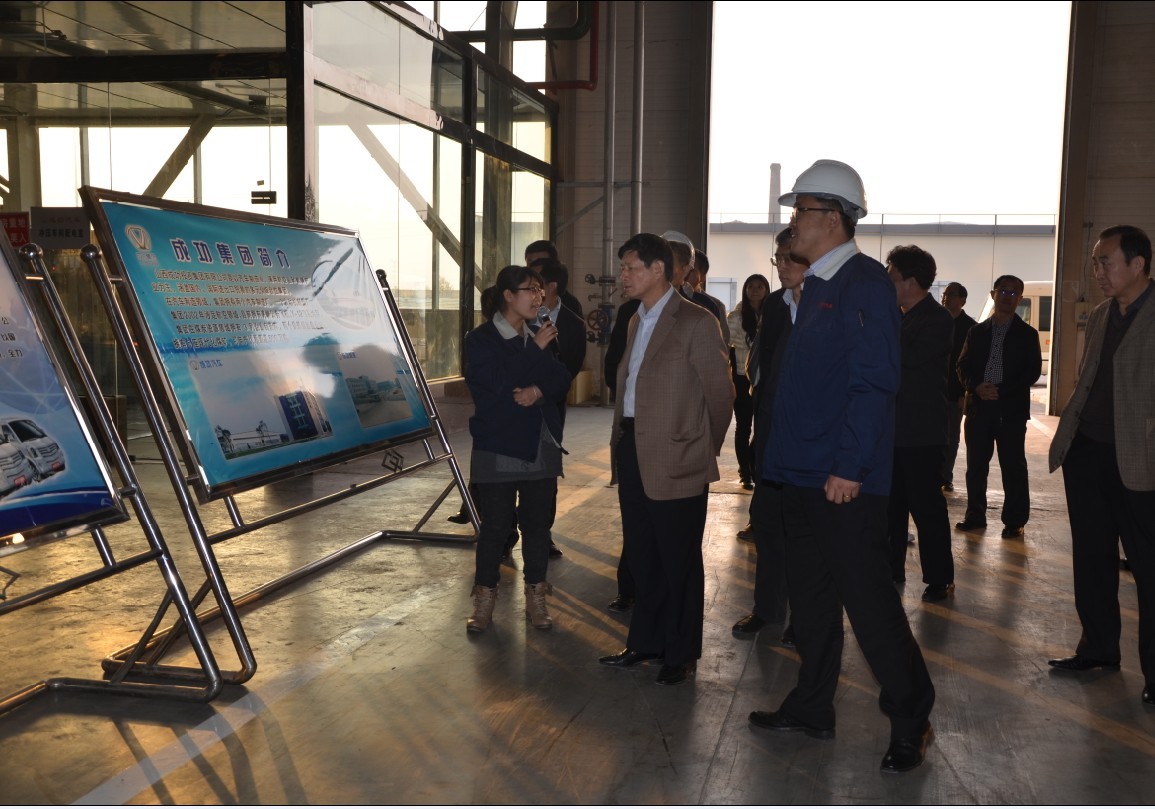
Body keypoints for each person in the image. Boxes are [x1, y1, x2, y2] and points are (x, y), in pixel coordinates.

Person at [749, 159, 935, 774]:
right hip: (800, 475)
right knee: (812, 604)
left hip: (841, 482)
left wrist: (850, 467)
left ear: (832, 218)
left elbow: (874, 383)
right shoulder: (816, 288)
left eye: (800, 211)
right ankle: (812, 706)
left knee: (869, 605)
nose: (792, 223)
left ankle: (911, 718)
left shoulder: (863, 284)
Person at [598, 232, 733, 686]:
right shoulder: (635, 319)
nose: (623, 276)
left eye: (631, 267)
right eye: (623, 268)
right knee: (643, 554)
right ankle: (646, 642)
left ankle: (680, 651)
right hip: (633, 447)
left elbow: (720, 396)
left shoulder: (696, 321)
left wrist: (700, 447)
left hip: (678, 456)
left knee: (678, 559)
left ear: (659, 270)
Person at [1046, 224, 1155, 708]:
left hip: (1140, 460)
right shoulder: (1101, 314)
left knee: (1148, 568)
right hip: (1087, 452)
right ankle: (1098, 649)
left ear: (1138, 264)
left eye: (1105, 261)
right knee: (1092, 559)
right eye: (1095, 262)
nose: (1098, 271)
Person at [462, 264, 572, 633]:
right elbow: (494, 385)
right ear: (508, 295)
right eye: (530, 289)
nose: (538, 296)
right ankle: (484, 601)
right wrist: (534, 351)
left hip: (540, 443)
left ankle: (536, 599)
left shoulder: (538, 333)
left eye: (539, 290)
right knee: (495, 527)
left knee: (537, 527)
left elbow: (560, 377)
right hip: (498, 444)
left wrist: (538, 390)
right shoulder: (481, 340)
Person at [731, 229, 805, 644]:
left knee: (806, 534)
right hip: (773, 432)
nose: (782, 266)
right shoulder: (775, 304)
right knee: (768, 523)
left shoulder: (832, 302)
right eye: (779, 258)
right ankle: (768, 609)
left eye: (791, 257)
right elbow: (763, 366)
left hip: (812, 441)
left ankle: (805, 620)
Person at [885, 245, 956, 601]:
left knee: (926, 507)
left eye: (892, 277)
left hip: (921, 432)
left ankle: (939, 577)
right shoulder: (899, 316)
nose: (887, 284)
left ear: (910, 282)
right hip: (891, 431)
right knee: (891, 506)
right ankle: (891, 568)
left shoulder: (937, 319)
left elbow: (907, 359)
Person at [954, 275, 1042, 539]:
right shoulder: (976, 332)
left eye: (1014, 293)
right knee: (976, 466)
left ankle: (1015, 521)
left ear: (1020, 299)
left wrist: (1001, 391)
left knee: (1013, 466)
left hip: (1011, 411)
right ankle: (975, 516)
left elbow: (1032, 372)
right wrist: (976, 387)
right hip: (979, 408)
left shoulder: (1028, 335)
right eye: (1003, 291)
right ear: (993, 294)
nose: (1007, 296)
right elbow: (962, 366)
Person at [726, 273, 770, 490]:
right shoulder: (736, 316)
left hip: (765, 377)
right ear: (745, 290)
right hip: (742, 377)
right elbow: (725, 344)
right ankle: (745, 472)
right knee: (743, 426)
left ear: (766, 290)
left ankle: (753, 464)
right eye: (751, 286)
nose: (755, 290)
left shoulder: (772, 313)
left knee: (762, 426)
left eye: (760, 286)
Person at [941, 282, 977, 491]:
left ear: (962, 300)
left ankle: (945, 476)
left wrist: (966, 392)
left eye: (951, 295)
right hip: (932, 390)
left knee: (951, 437)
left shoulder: (971, 328)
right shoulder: (935, 321)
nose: (946, 298)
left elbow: (971, 364)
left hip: (956, 393)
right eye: (945, 294)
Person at [525, 239, 583, 318]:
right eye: (530, 263)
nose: (534, 267)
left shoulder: (570, 305)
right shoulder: (519, 299)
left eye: (542, 262)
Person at [691, 249, 731, 343]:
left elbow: (722, 342)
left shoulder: (715, 305)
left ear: (703, 276)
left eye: (691, 269)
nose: (685, 272)